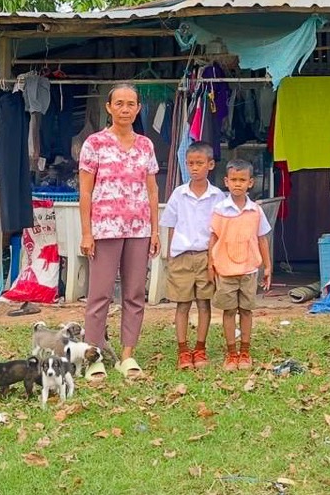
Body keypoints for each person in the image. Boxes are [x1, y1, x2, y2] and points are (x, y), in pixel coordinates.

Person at [78, 84, 160, 379]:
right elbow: (85, 192)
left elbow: (152, 190)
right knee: (99, 295)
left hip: (138, 229)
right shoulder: (95, 144)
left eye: (131, 104)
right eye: (120, 104)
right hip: (105, 229)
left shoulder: (146, 145)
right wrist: (86, 233)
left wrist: (155, 231)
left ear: (138, 108)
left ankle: (127, 355)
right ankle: (93, 357)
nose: (125, 109)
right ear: (109, 107)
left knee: (135, 293)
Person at [159, 142, 222, 369]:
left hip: (206, 256)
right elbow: (171, 225)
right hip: (182, 256)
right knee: (182, 304)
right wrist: (170, 255)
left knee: (204, 303)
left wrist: (215, 259)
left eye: (199, 163)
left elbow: (219, 230)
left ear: (210, 165)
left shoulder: (217, 196)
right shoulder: (179, 194)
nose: (194, 168)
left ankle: (200, 348)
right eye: (190, 164)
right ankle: (183, 350)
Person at [208, 159, 272, 371]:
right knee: (228, 311)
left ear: (250, 183)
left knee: (246, 310)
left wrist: (268, 266)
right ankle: (231, 353)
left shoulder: (256, 211)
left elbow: (262, 239)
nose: (237, 184)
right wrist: (210, 264)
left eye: (242, 180)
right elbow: (214, 238)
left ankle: (245, 351)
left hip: (249, 270)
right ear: (226, 181)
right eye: (233, 179)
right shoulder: (220, 210)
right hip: (225, 270)